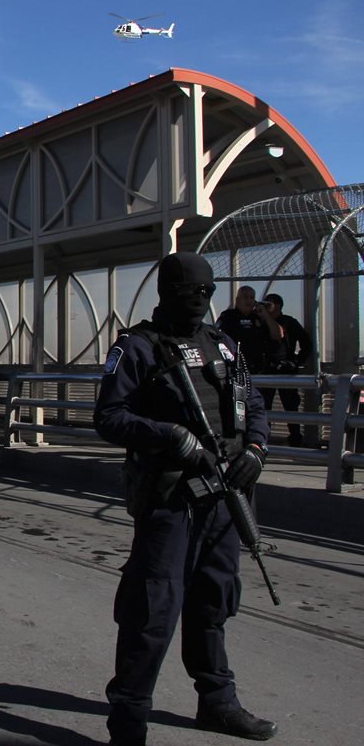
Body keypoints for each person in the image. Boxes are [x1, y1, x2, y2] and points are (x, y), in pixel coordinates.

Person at [95, 252, 276, 746]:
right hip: (170, 498)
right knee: (152, 611)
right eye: (190, 290)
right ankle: (128, 721)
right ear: (166, 292)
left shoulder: (222, 344)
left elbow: (253, 403)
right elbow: (109, 416)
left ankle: (217, 702)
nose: (200, 299)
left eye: (207, 290)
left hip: (224, 497)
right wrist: (168, 436)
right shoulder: (138, 348)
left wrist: (257, 450)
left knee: (213, 603)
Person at [260, 293, 312, 447]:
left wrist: (296, 362)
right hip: (266, 370)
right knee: (264, 406)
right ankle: (264, 438)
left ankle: (295, 438)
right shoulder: (260, 321)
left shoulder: (289, 322)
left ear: (278, 305)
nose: (267, 306)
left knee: (291, 406)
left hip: (285, 370)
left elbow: (306, 343)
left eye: (270, 304)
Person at [215, 285, 283, 376]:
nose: (249, 301)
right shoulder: (228, 316)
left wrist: (266, 315)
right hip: (236, 368)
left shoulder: (259, 318)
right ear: (238, 300)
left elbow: (278, 335)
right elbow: (216, 337)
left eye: (252, 298)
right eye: (245, 297)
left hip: (258, 369)